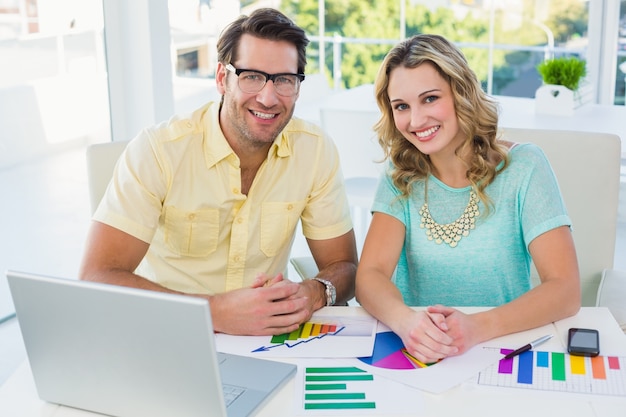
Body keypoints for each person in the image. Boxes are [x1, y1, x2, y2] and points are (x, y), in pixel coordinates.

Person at [79, 8, 357, 336]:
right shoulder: (159, 150)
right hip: (167, 333)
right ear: (222, 79)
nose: (268, 98)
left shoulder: (314, 150)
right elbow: (97, 276)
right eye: (252, 76)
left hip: (265, 341)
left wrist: (315, 291)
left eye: (284, 80)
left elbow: (346, 269)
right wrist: (213, 313)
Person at [355, 34, 580, 364]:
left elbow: (565, 290)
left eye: (430, 99)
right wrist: (406, 322)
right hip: (418, 355)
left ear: (462, 93)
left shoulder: (525, 166)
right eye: (401, 106)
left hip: (503, 349)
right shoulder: (399, 174)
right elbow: (370, 275)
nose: (415, 121)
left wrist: (476, 327)